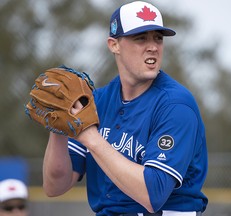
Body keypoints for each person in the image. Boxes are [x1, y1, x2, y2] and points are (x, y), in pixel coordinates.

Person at [42, 1, 208, 215]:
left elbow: (153, 195)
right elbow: (55, 187)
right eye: (140, 38)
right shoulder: (97, 101)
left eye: (158, 38)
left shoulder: (176, 105)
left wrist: (90, 138)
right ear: (114, 45)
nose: (153, 47)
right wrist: (58, 128)